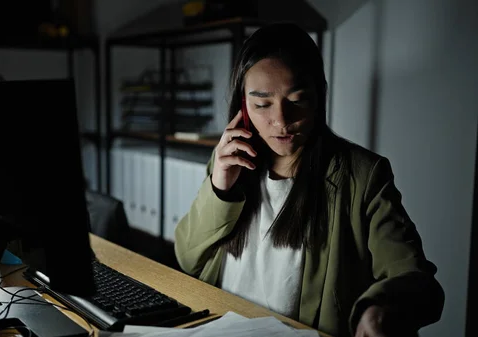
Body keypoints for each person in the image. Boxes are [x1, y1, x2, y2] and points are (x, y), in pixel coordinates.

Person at [174, 23, 444, 337]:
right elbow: (188, 259)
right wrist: (219, 187)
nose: (281, 121)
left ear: (319, 97)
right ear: (243, 107)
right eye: (262, 105)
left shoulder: (362, 175)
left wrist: (379, 309)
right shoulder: (229, 162)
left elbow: (416, 278)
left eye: (297, 101)